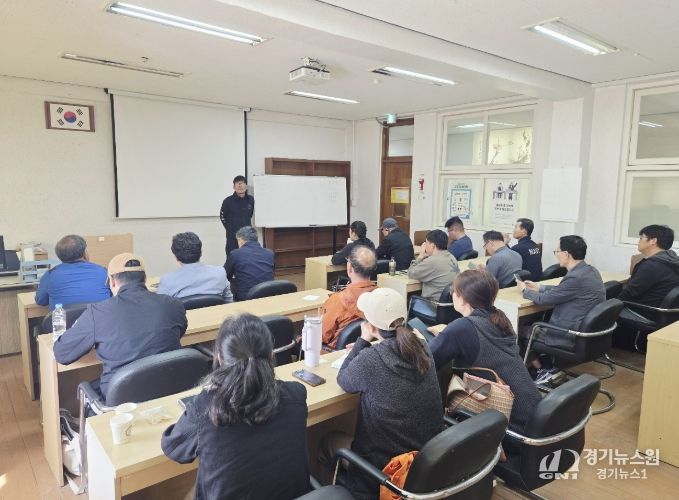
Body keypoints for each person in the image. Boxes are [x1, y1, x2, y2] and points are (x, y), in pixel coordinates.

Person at [162, 314, 310, 500]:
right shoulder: (296, 394)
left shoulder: (204, 408)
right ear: (272, 355)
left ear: (219, 359)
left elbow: (173, 448)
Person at [320, 288, 443, 499]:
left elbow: (344, 380)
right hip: (425, 461)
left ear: (372, 326)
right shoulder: (422, 345)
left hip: (386, 470)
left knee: (328, 442)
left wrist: (363, 341)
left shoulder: (372, 359)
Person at [53, 253, 187, 401]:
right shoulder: (173, 304)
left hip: (123, 398)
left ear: (111, 281)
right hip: (170, 388)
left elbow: (62, 354)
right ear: (145, 278)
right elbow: (180, 331)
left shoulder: (97, 312)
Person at [429, 270, 541, 432]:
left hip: (512, 426)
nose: (452, 294)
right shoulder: (498, 317)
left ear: (463, 298)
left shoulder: (462, 328)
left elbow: (427, 360)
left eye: (454, 291)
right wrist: (447, 334)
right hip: (534, 412)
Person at [517, 235, 605, 380]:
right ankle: (544, 363)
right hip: (587, 333)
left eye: (557, 251)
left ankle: (542, 370)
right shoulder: (589, 270)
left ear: (566, 254)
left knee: (516, 329)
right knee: (533, 324)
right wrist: (540, 287)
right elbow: (564, 290)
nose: (556, 255)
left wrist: (524, 291)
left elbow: (544, 300)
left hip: (567, 334)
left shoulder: (575, 277)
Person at [35, 234, 111, 309]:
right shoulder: (103, 272)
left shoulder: (50, 275)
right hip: (100, 316)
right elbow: (113, 295)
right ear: (85, 253)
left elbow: (40, 300)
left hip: (64, 317)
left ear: (60, 256)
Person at [322, 246, 377, 348]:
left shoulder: (338, 300)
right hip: (370, 349)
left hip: (336, 354)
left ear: (350, 268)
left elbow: (322, 336)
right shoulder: (381, 296)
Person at [157, 232, 233, 302]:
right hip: (217, 312)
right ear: (201, 253)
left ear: (176, 257)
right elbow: (229, 301)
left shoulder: (167, 280)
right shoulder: (220, 272)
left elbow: (161, 307)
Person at [618, 225, 679, 307]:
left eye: (641, 238)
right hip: (663, 311)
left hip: (641, 310)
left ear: (653, 241)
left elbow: (628, 294)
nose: (638, 242)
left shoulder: (652, 266)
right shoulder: (672, 260)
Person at [225, 226, 274, 301]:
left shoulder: (235, 254)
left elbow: (225, 276)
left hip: (247, 297)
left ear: (240, 240)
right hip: (269, 294)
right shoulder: (269, 253)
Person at [408, 229, 460, 300]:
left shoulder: (432, 261)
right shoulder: (452, 257)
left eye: (426, 243)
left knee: (409, 298)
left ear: (432, 245)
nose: (425, 246)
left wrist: (420, 256)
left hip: (433, 303)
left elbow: (411, 273)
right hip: (451, 303)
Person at [220, 175, 254, 262]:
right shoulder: (227, 201)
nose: (240, 185)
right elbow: (222, 216)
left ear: (246, 186)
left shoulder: (251, 200)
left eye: (242, 183)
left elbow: (249, 215)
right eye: (237, 183)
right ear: (234, 187)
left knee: (247, 259)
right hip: (232, 237)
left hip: (247, 236)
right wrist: (230, 228)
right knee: (232, 259)